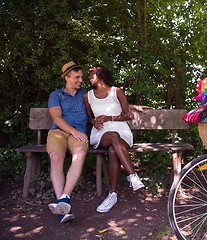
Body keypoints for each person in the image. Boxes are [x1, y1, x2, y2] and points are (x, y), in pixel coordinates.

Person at [83, 65, 146, 213]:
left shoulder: (117, 91)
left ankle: (112, 195)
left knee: (113, 151)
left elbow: (127, 115)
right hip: (101, 134)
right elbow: (89, 117)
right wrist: (94, 122)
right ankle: (132, 175)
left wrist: (109, 117)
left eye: (92, 74)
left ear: (101, 74)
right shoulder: (88, 96)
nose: (90, 76)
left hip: (122, 131)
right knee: (112, 136)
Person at [47, 61, 88, 223]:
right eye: (77, 77)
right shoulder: (56, 95)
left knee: (80, 154)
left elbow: (107, 103)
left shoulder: (85, 94)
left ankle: (63, 199)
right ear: (67, 77)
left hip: (77, 135)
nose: (80, 80)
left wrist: (131, 106)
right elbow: (56, 117)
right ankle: (63, 207)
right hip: (59, 132)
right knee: (56, 158)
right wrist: (74, 131)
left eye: (81, 77)